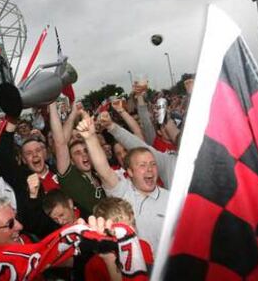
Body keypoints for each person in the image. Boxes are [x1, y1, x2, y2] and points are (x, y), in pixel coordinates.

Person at [76, 112, 169, 252]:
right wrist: (90, 138)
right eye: (142, 165)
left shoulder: (171, 200)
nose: (149, 169)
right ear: (130, 172)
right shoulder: (123, 191)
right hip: (136, 271)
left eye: (153, 164)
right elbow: (103, 170)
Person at [49, 101, 105, 215]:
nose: (84, 155)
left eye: (86, 151)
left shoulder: (100, 175)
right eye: (77, 153)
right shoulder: (71, 178)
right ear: (72, 162)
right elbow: (60, 143)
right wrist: (52, 104)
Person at [83, 197, 154, 281]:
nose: (130, 233)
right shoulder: (94, 266)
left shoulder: (143, 246)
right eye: (120, 231)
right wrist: (110, 260)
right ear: (103, 234)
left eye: (132, 224)